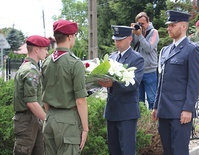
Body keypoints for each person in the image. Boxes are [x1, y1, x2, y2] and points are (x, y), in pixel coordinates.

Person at [151, 10, 199, 155]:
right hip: (164, 110)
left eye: (172, 25)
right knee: (168, 151)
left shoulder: (192, 50)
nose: (169, 28)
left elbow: (194, 82)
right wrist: (156, 106)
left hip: (180, 111)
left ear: (183, 26)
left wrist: (188, 109)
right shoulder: (166, 50)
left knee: (179, 151)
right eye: (168, 25)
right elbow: (161, 80)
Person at [41, 19, 89, 155]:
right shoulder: (75, 63)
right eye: (74, 35)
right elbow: (80, 100)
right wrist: (85, 128)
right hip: (68, 122)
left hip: (49, 119)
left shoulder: (46, 62)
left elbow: (44, 95)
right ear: (69, 37)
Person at [98, 25, 144, 155]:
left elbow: (134, 83)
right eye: (115, 40)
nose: (116, 43)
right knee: (114, 150)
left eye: (120, 40)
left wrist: (112, 83)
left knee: (127, 150)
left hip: (127, 112)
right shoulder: (112, 57)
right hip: (112, 110)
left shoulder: (137, 58)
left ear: (129, 39)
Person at [13, 35, 50, 155]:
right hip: (27, 120)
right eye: (45, 49)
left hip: (31, 119)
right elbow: (32, 103)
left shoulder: (27, 67)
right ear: (36, 49)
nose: (47, 52)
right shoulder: (30, 71)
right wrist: (48, 120)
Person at [131, 12, 159, 110]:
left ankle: (153, 122)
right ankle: (142, 122)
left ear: (148, 22)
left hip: (150, 70)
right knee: (139, 100)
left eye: (143, 23)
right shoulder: (136, 32)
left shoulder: (154, 32)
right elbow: (131, 45)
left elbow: (148, 48)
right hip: (138, 70)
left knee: (152, 99)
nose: (141, 25)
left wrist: (140, 36)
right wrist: (131, 32)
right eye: (139, 23)